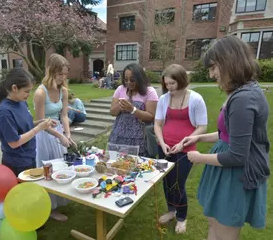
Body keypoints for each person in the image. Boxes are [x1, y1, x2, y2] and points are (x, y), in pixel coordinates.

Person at [183, 36, 270, 240]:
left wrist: (199, 158)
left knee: (225, 232)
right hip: (225, 173)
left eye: (213, 67)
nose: (211, 74)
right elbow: (228, 134)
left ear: (228, 61)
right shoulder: (241, 92)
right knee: (214, 222)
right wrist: (200, 138)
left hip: (235, 176)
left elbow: (237, 156)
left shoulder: (243, 98)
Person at [154, 64, 208, 234]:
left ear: (182, 81)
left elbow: (202, 126)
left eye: (172, 84)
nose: (168, 87)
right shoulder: (164, 99)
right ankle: (171, 210)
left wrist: (183, 143)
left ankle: (181, 217)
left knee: (178, 183)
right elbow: (157, 124)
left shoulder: (196, 99)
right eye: (166, 84)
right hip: (165, 147)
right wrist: (162, 144)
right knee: (166, 181)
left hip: (185, 149)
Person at [33, 53, 76, 222]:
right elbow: (41, 122)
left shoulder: (63, 91)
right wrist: (59, 135)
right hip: (44, 134)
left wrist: (68, 134)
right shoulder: (40, 93)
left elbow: (64, 115)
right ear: (51, 72)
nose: (63, 78)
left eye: (65, 74)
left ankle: (59, 201)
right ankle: (49, 208)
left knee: (60, 167)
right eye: (60, 74)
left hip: (58, 132)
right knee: (48, 171)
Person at [0, 68, 53, 177]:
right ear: (14, 88)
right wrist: (39, 128)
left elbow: (25, 125)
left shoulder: (21, 103)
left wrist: (40, 122)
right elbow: (14, 142)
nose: (29, 95)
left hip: (29, 157)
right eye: (26, 91)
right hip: (16, 163)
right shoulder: (5, 112)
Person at [109, 63, 158, 156]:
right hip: (119, 135)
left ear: (139, 78)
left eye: (132, 79)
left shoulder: (149, 92)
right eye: (126, 79)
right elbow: (112, 112)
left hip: (139, 137)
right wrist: (121, 105)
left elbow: (151, 117)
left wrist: (133, 109)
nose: (128, 82)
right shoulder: (121, 89)